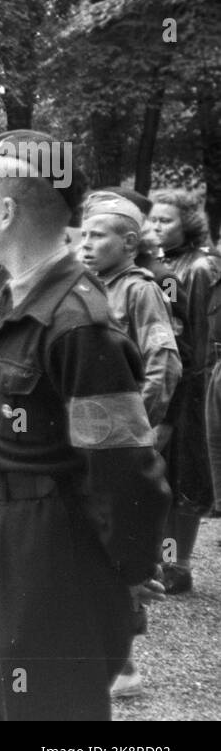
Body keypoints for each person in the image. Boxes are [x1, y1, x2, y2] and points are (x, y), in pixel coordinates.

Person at [0, 132, 171, 720]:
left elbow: (124, 463)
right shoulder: (1, 299)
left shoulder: (77, 323)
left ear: (6, 211)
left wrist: (127, 569)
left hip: (47, 552)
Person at [80, 191, 182, 699]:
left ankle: (123, 664)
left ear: (130, 242)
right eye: (85, 234)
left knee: (120, 543)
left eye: (100, 236)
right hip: (85, 444)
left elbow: (164, 361)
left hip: (119, 443)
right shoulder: (85, 288)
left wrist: (135, 427)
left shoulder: (139, 291)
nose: (87, 244)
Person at [147, 190, 219, 594]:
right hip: (173, 383)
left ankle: (178, 563)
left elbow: (188, 337)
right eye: (153, 221)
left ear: (187, 223)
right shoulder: (161, 267)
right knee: (164, 478)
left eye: (166, 222)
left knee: (183, 480)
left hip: (192, 384)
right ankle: (163, 559)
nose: (156, 228)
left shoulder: (199, 268)